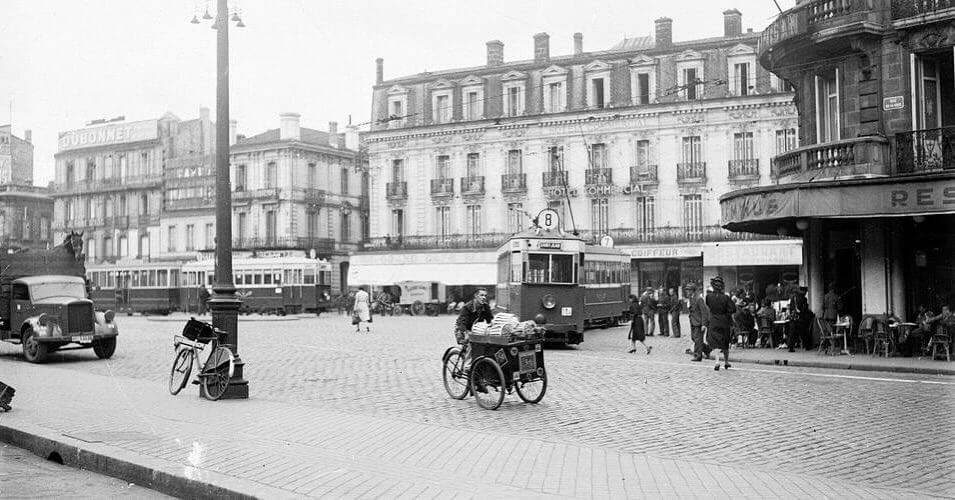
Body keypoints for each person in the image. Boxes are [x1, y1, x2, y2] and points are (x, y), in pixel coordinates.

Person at [705, 276, 736, 370]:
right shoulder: (726, 298)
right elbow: (733, 309)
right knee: (725, 341)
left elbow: (709, 306)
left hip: (713, 320)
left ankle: (717, 361)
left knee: (715, 342)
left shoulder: (708, 297)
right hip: (724, 321)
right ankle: (726, 362)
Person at [687, 283, 712, 361]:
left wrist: (704, 324)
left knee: (698, 339)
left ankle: (698, 355)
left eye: (688, 290)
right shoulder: (691, 298)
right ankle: (707, 349)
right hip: (693, 321)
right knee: (694, 338)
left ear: (692, 291)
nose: (687, 291)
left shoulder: (699, 299)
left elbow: (704, 312)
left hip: (699, 322)